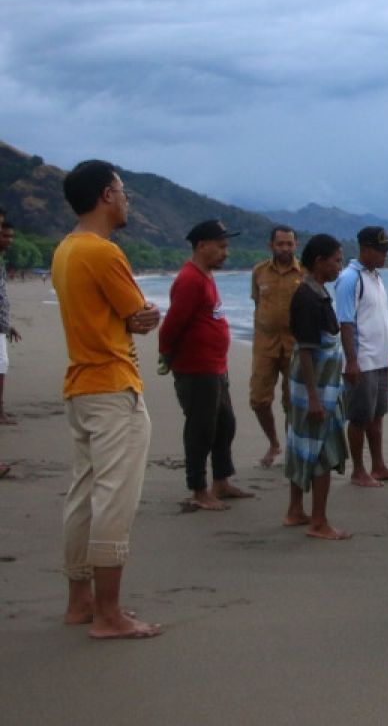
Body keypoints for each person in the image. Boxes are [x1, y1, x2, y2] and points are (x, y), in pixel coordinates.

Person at [52, 159, 162, 638]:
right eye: (121, 189)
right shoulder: (102, 252)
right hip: (112, 385)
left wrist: (137, 316)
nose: (126, 197)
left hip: (80, 385)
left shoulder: (65, 250)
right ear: (105, 195)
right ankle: (109, 613)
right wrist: (144, 313)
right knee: (114, 498)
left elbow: (127, 314)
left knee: (83, 494)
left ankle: (80, 601)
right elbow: (138, 313)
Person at [159, 219, 253, 511]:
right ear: (202, 246)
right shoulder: (189, 280)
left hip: (214, 366)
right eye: (221, 246)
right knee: (201, 428)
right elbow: (171, 326)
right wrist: (168, 358)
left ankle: (221, 481)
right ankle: (198, 489)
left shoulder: (206, 276)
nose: (226, 252)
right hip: (196, 369)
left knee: (225, 424)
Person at [284, 234, 351, 540]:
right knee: (322, 451)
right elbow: (308, 350)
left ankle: (296, 510)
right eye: (337, 260)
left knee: (301, 445)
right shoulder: (309, 298)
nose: (340, 266)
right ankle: (319, 521)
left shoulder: (315, 292)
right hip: (316, 390)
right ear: (320, 261)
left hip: (314, 387)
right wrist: (314, 397)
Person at [334, 226, 388, 487]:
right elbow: (345, 322)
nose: (385, 255)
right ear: (365, 249)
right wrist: (352, 361)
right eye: (381, 250)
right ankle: (358, 470)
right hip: (362, 361)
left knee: (377, 415)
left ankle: (378, 465)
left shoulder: (375, 276)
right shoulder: (350, 278)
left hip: (381, 359)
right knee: (359, 417)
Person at [249, 225, 303, 468]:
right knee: (259, 400)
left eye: (289, 244)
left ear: (296, 245)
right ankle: (273, 442)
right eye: (280, 243)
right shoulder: (259, 272)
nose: (285, 248)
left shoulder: (305, 272)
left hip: (295, 346)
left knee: (292, 401)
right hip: (265, 345)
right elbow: (257, 302)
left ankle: (292, 445)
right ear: (271, 245)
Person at [0, 213, 22, 425]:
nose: (9, 240)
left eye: (11, 236)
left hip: (1, 325)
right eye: (5, 235)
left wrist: (8, 326)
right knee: (1, 365)